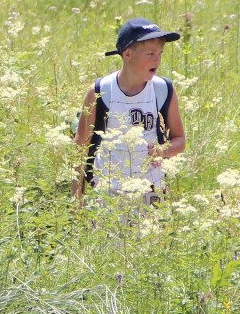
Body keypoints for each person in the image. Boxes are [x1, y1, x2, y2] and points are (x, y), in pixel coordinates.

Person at [74, 16, 187, 199]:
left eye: (160, 53)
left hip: (151, 192)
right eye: (150, 54)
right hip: (107, 196)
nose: (157, 61)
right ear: (127, 54)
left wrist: (162, 150)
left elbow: (179, 140)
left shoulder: (163, 89)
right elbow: (80, 149)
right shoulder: (101, 90)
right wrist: (76, 203)